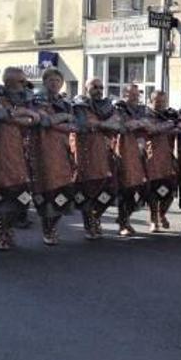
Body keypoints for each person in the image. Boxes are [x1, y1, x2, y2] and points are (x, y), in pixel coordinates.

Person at [0, 67, 40, 251]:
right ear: (8, 81)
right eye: (20, 81)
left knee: (21, 199)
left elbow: (36, 119)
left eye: (24, 81)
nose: (24, 84)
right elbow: (0, 116)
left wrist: (17, 115)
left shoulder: (25, 97)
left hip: (20, 155)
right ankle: (0, 236)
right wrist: (22, 115)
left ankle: (8, 230)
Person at [30, 67, 79, 246]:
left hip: (63, 152)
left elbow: (74, 125)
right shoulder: (37, 99)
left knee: (63, 191)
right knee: (46, 190)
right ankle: (47, 229)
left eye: (58, 81)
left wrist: (58, 121)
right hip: (43, 151)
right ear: (44, 82)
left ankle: (53, 227)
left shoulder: (65, 102)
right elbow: (44, 121)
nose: (55, 84)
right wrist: (63, 118)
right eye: (51, 80)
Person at [72, 78, 121, 240]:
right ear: (86, 88)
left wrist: (98, 125)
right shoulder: (79, 105)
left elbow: (117, 126)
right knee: (88, 191)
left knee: (109, 191)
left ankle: (95, 216)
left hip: (104, 154)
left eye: (101, 87)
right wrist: (105, 125)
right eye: (94, 87)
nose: (98, 90)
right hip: (85, 154)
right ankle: (89, 225)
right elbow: (84, 125)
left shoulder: (107, 107)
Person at [113, 84, 151, 237]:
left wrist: (138, 125)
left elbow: (148, 125)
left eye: (137, 94)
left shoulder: (141, 109)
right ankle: (123, 223)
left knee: (141, 189)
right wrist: (138, 124)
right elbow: (121, 126)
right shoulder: (118, 107)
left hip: (140, 152)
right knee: (126, 188)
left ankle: (125, 218)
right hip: (124, 150)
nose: (135, 97)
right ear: (124, 94)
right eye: (131, 94)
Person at [143, 90, 180, 232]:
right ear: (151, 101)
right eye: (157, 102)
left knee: (170, 191)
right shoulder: (146, 115)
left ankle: (162, 214)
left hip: (168, 158)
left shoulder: (170, 115)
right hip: (152, 158)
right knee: (153, 192)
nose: (161, 104)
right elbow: (152, 130)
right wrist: (170, 125)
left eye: (163, 102)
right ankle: (153, 219)